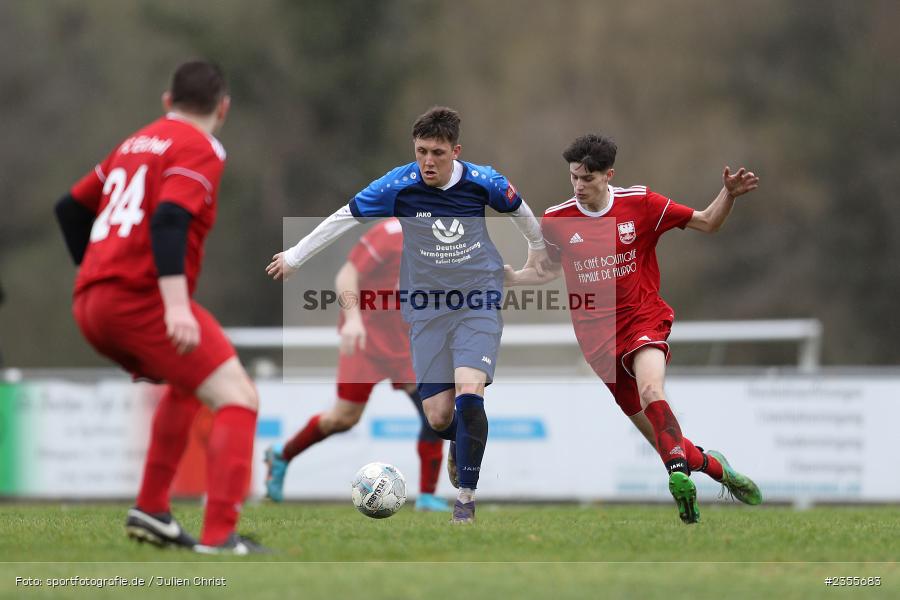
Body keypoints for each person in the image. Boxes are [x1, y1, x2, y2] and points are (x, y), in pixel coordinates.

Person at [267, 107, 549, 523]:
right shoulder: (396, 191)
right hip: (419, 317)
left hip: (477, 302)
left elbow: (519, 208)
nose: (428, 162)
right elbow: (345, 219)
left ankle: (463, 502)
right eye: (421, 152)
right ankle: (459, 440)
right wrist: (295, 255)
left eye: (437, 153)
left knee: (469, 392)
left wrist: (538, 249)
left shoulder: (483, 181)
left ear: (456, 151)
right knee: (436, 417)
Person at [54, 60, 265, 553]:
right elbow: (170, 218)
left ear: (167, 101)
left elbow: (69, 209)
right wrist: (175, 307)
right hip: (139, 299)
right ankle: (220, 537)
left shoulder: (135, 143)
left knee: (192, 384)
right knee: (239, 397)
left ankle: (151, 509)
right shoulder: (201, 146)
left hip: (91, 301)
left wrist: (97, 269)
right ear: (223, 108)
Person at [506, 133, 762, 524]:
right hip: (597, 343)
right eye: (573, 177)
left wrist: (727, 194)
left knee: (651, 390)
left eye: (587, 178)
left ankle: (678, 479)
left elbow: (708, 222)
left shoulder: (640, 204)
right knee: (663, 440)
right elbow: (545, 272)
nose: (578, 186)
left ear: (608, 175)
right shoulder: (557, 220)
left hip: (643, 318)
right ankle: (715, 468)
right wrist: (510, 278)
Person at [264, 218, 449, 512]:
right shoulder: (390, 233)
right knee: (343, 419)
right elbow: (346, 276)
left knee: (436, 413)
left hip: (406, 344)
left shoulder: (448, 241)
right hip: (366, 339)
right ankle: (282, 455)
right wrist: (352, 320)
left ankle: (427, 496)